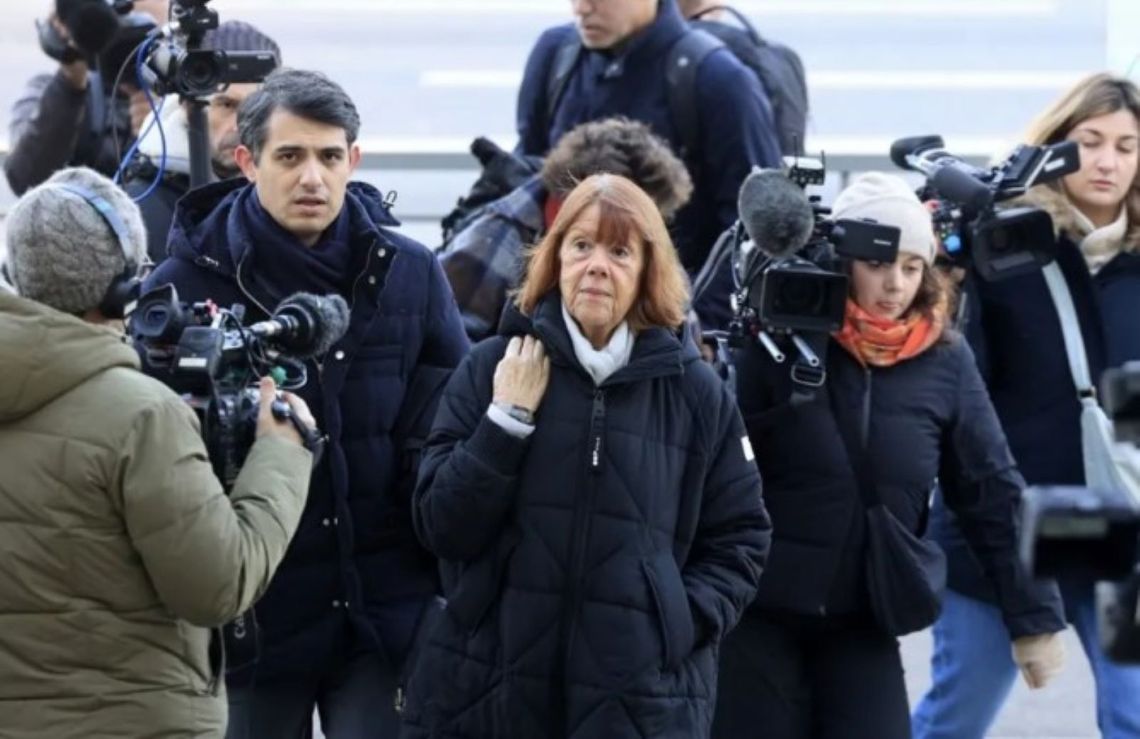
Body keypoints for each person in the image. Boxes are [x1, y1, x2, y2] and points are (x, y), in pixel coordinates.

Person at [142, 68, 470, 738]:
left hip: (383, 614)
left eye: (328, 156)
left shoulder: (408, 271)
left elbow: (450, 427)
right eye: (289, 157)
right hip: (252, 619)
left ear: (354, 159)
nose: (312, 178)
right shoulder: (184, 285)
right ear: (246, 161)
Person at [401, 173, 771, 738]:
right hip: (485, 693)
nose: (597, 265)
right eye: (581, 246)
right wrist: (506, 422)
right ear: (555, 259)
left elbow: (742, 537)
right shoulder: (492, 366)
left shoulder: (698, 394)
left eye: (619, 250)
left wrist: (675, 622)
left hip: (640, 704)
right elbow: (440, 526)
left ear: (648, 269)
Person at [712, 173, 1067, 739]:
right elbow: (715, 465)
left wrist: (1034, 619)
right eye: (879, 264)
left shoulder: (944, 358)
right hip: (760, 616)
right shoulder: (781, 336)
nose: (895, 284)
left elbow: (990, 487)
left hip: (865, 619)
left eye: (911, 266)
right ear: (843, 260)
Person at [0, 166, 315, 738]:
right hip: (133, 720)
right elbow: (218, 584)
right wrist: (282, 452)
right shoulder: (141, 415)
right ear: (125, 287)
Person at [913, 72, 1140, 739]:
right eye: (1090, 141)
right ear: (1056, 146)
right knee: (955, 719)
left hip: (1117, 530)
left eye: (1127, 146)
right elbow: (953, 379)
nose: (1107, 161)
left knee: (1132, 717)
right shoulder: (1005, 246)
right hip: (1001, 531)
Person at [514, 0, 781, 277]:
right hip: (559, 301)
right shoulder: (557, 54)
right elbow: (527, 178)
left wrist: (691, 315)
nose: (582, 8)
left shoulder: (718, 79)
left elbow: (756, 230)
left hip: (670, 305)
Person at [441, 116, 692, 340]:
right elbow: (447, 352)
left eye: (620, 249)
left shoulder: (646, 243)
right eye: (583, 245)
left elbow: (682, 328)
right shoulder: (496, 238)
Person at [123, 20, 282, 264]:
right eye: (226, 105)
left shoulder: (293, 195)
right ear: (187, 106)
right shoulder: (141, 211)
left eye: (256, 108)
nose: (239, 125)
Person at [5, 0, 170, 195]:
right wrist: (70, 83)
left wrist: (165, 130)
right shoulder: (48, 90)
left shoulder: (181, 102)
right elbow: (25, 177)